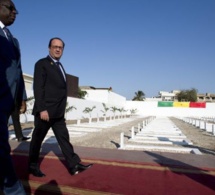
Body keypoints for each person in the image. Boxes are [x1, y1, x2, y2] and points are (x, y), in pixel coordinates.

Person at [28, 37, 93, 177]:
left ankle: (74, 165)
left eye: (60, 47)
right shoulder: (42, 64)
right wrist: (42, 109)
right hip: (45, 112)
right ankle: (32, 166)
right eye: (55, 46)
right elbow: (38, 88)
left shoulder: (60, 65)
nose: (58, 49)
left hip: (58, 113)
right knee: (37, 140)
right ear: (49, 48)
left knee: (64, 139)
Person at [0, 0, 26, 194]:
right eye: (11, 8)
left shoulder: (14, 40)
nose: (15, 12)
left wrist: (22, 98)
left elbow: (18, 71)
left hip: (8, 101)